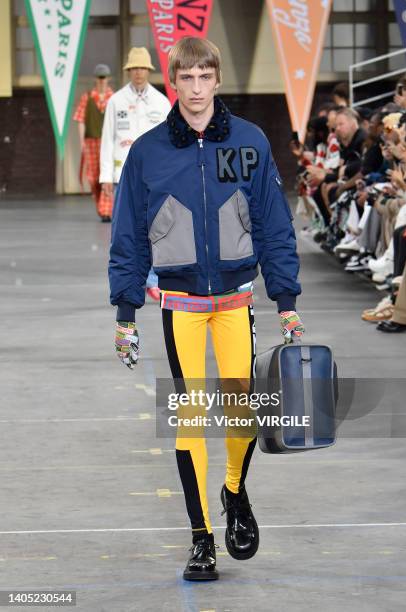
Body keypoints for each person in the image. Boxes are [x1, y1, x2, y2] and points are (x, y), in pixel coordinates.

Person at [109, 37, 304, 581]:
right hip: (183, 306)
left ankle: (235, 493)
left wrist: (285, 301)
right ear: (174, 81)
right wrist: (126, 315)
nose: (195, 89)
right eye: (186, 78)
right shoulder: (148, 152)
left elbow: (273, 226)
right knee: (191, 417)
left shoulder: (249, 142)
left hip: (237, 301)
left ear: (217, 79)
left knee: (241, 412)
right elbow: (128, 235)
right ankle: (201, 538)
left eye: (204, 77)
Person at [100, 47, 171, 299]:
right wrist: (105, 177)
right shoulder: (116, 101)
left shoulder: (161, 102)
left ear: (149, 71)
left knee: (156, 228)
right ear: (128, 71)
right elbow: (107, 139)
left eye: (142, 68)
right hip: (122, 175)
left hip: (155, 176)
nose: (138, 73)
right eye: (134, 68)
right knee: (125, 231)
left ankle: (152, 279)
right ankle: (130, 278)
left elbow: (169, 142)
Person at [73, 63, 114, 222]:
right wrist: (82, 140)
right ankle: (101, 206)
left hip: (108, 141)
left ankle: (106, 210)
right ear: (95, 79)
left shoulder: (114, 97)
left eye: (104, 78)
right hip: (91, 141)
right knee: (93, 177)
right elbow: (81, 119)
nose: (102, 80)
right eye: (100, 78)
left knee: (106, 174)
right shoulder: (87, 97)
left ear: (108, 79)